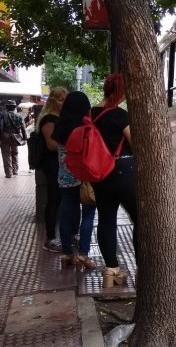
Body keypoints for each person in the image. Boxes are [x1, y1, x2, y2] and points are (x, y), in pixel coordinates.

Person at [91, 73, 138, 287]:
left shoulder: (90, 114)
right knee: (141, 219)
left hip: (99, 174)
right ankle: (143, 268)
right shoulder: (120, 115)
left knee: (106, 219)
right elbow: (134, 143)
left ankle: (112, 269)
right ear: (120, 92)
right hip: (122, 171)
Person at [52, 91, 97, 270]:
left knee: (66, 214)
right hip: (86, 177)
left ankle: (67, 253)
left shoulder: (60, 126)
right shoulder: (87, 126)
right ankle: (84, 255)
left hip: (65, 177)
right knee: (88, 214)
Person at [37, 87, 68, 252]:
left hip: (60, 164)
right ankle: (50, 238)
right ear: (52, 101)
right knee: (54, 199)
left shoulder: (60, 118)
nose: (63, 103)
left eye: (65, 99)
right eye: (60, 99)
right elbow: (51, 145)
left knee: (60, 200)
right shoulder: (49, 119)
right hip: (53, 164)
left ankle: (59, 236)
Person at [1, 100, 27, 178]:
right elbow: (23, 128)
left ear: (6, 107)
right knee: (14, 153)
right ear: (15, 107)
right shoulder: (19, 116)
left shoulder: (2, 115)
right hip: (15, 137)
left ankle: (8, 173)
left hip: (4, 136)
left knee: (6, 155)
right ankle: (15, 170)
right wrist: (24, 138)